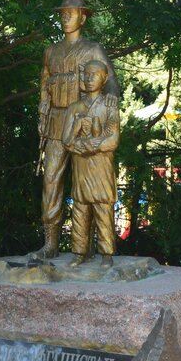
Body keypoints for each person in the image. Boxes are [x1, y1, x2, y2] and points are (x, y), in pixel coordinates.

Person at [34, 0, 119, 259]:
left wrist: (107, 112)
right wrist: (43, 109)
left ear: (82, 17)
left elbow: (112, 84)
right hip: (57, 123)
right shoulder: (51, 50)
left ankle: (89, 248)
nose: (66, 18)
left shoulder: (93, 49)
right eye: (63, 13)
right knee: (51, 181)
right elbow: (45, 82)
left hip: (86, 124)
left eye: (71, 13)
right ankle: (51, 242)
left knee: (87, 186)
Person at [62, 60, 119, 267]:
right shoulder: (74, 108)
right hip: (81, 168)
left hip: (102, 167)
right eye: (86, 74)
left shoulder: (109, 106)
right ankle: (79, 252)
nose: (88, 78)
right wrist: (78, 128)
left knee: (103, 208)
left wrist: (87, 145)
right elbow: (66, 141)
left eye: (94, 74)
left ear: (104, 79)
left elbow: (113, 140)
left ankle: (106, 254)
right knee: (80, 207)